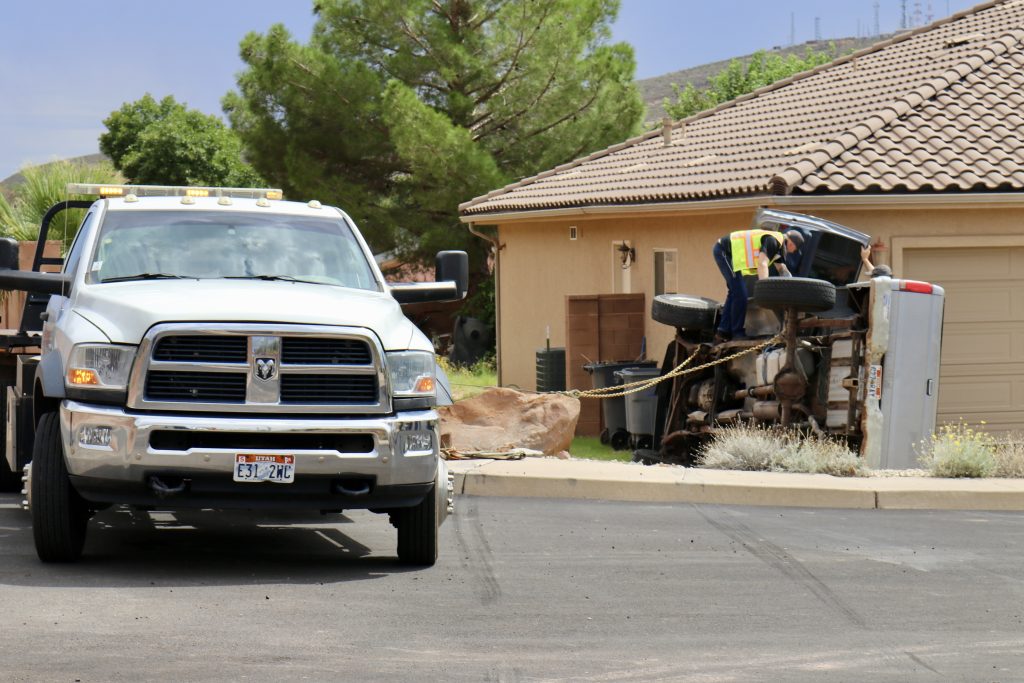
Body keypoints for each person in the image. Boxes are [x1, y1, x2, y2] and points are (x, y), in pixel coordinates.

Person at [712, 228, 803, 341]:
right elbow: (762, 263)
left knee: (735, 291)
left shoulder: (777, 248)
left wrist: (793, 288)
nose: (793, 252)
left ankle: (723, 331)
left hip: (727, 252)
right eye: (795, 248)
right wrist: (764, 290)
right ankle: (737, 333)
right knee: (740, 294)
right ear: (791, 243)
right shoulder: (774, 241)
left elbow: (782, 270)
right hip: (724, 251)